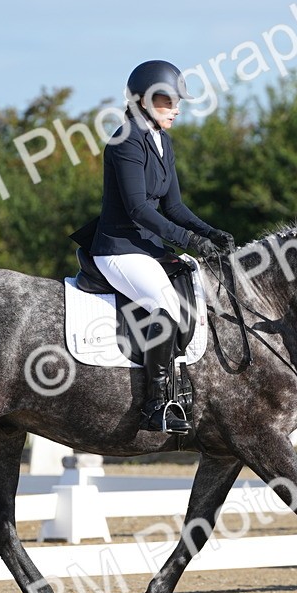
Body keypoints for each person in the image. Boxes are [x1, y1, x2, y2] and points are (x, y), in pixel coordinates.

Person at [89, 60, 235, 434]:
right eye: (168, 102)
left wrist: (210, 232)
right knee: (166, 308)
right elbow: (138, 208)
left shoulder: (162, 140)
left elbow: (173, 206)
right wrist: (188, 240)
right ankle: (156, 405)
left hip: (147, 247)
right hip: (119, 248)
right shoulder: (125, 141)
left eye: (176, 102)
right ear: (144, 101)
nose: (177, 109)